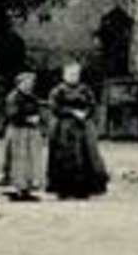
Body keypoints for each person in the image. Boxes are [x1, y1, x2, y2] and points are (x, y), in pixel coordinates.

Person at [45, 62, 108, 199]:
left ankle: (83, 189)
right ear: (64, 75)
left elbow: (92, 104)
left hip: (83, 127)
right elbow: (54, 107)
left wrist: (86, 113)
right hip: (64, 128)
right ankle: (64, 189)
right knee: (65, 157)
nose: (74, 77)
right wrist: (71, 112)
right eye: (71, 74)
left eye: (76, 74)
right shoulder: (58, 90)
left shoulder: (85, 89)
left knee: (86, 156)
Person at [0, 71, 46, 201]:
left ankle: (27, 189)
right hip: (18, 132)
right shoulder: (13, 97)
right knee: (18, 160)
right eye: (25, 83)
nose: (28, 85)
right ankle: (16, 188)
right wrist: (27, 119)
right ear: (19, 84)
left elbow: (38, 110)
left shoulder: (32, 97)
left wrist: (38, 119)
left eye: (30, 83)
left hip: (31, 132)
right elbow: (11, 114)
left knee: (30, 161)